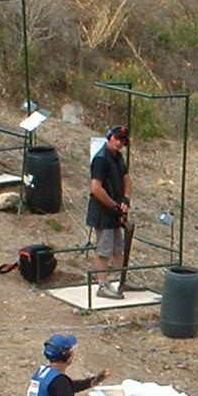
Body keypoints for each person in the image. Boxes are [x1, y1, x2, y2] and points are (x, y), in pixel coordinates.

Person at [86, 124, 132, 298]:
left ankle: (121, 280)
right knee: (104, 250)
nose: (119, 142)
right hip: (102, 211)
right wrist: (113, 206)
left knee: (118, 248)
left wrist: (125, 200)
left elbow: (126, 178)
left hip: (114, 210)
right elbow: (96, 189)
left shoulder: (118, 157)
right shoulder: (101, 159)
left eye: (123, 140)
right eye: (116, 138)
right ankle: (102, 284)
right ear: (110, 137)